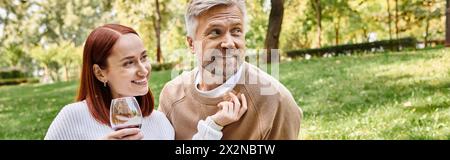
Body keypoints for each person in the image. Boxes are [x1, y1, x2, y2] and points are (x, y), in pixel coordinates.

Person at [44, 24, 247, 140]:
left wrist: (215, 123)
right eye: (129, 63)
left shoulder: (159, 123)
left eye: (143, 57)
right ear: (100, 73)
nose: (143, 70)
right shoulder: (73, 117)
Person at [158, 0, 303, 140]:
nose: (229, 43)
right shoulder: (171, 96)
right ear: (191, 44)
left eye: (236, 31)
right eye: (215, 32)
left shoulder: (276, 102)